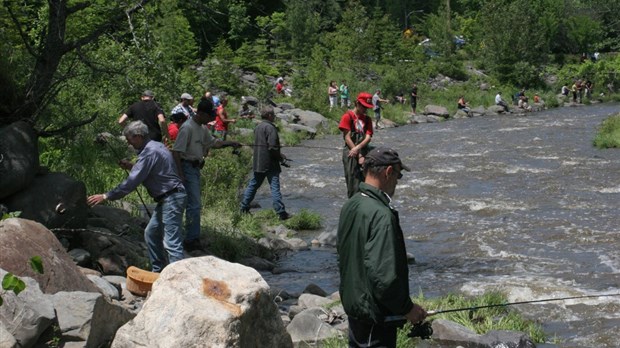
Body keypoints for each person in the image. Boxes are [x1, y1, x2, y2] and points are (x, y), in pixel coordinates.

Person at [337, 147, 427, 348]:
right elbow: (384, 278)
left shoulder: (351, 204)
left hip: (355, 307)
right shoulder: (382, 215)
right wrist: (408, 308)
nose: (397, 181)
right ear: (388, 172)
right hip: (375, 316)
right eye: (398, 175)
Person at [87, 121, 186, 272]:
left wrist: (106, 196)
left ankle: (179, 280)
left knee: (172, 243)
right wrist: (131, 166)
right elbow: (151, 170)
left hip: (171, 198)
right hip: (169, 197)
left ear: (138, 137)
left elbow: (130, 184)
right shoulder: (156, 145)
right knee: (151, 233)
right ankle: (158, 272)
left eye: (129, 139)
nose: (128, 142)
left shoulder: (149, 152)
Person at [172, 107, 241, 252]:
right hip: (186, 167)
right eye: (209, 117)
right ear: (201, 113)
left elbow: (213, 143)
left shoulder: (202, 128)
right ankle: (191, 240)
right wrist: (180, 174)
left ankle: (191, 237)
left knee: (192, 204)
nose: (211, 121)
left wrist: (230, 143)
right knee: (194, 204)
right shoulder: (187, 128)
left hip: (195, 168)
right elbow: (176, 152)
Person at [239, 107, 290, 221]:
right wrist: (280, 157)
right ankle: (281, 212)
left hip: (258, 162)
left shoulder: (258, 127)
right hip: (270, 163)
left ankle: (243, 208)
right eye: (273, 115)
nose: (274, 117)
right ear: (269, 116)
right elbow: (272, 147)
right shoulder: (270, 128)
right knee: (275, 187)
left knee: (253, 185)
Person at [339, 92, 374, 198]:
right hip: (350, 152)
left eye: (367, 107)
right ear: (357, 103)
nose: (365, 109)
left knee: (368, 181)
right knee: (353, 182)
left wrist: (358, 148)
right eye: (363, 106)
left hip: (363, 149)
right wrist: (358, 154)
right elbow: (347, 137)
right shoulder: (347, 117)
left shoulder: (367, 119)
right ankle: (354, 203)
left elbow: (368, 137)